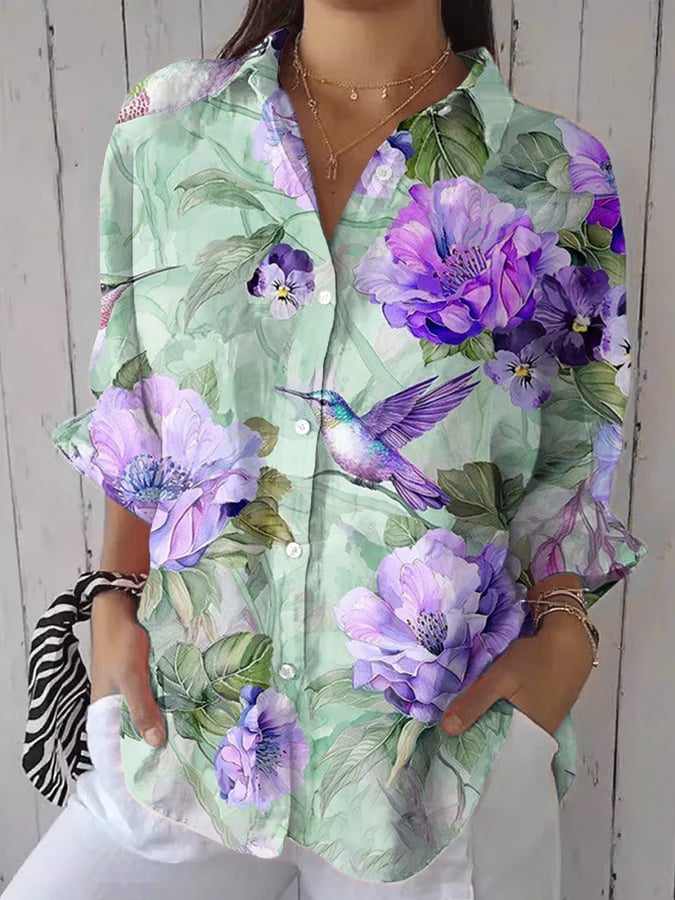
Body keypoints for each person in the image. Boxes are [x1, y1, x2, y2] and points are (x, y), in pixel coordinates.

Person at [6, 1, 647, 898]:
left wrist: (564, 639)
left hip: (434, 771)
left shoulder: (552, 171)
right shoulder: (167, 127)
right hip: (188, 732)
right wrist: (113, 593)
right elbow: (137, 392)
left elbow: (573, 451)